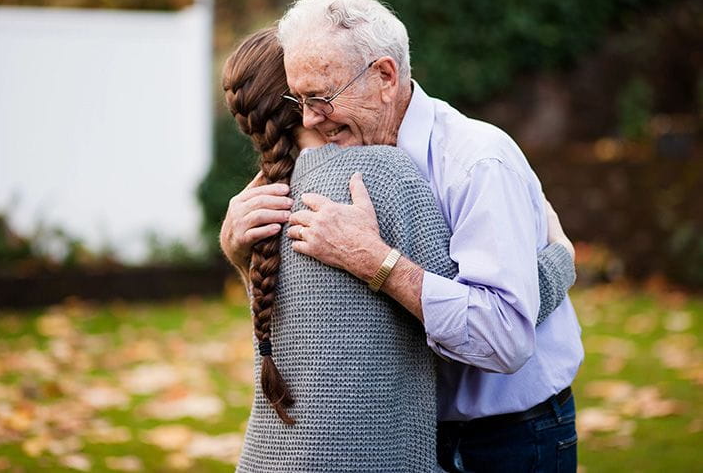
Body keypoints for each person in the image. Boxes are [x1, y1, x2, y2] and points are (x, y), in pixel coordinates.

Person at [221, 27, 577, 472]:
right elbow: (487, 320)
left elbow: (291, 321)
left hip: (276, 455)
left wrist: (238, 255)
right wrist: (560, 259)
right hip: (377, 452)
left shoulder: (264, 199)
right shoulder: (380, 174)